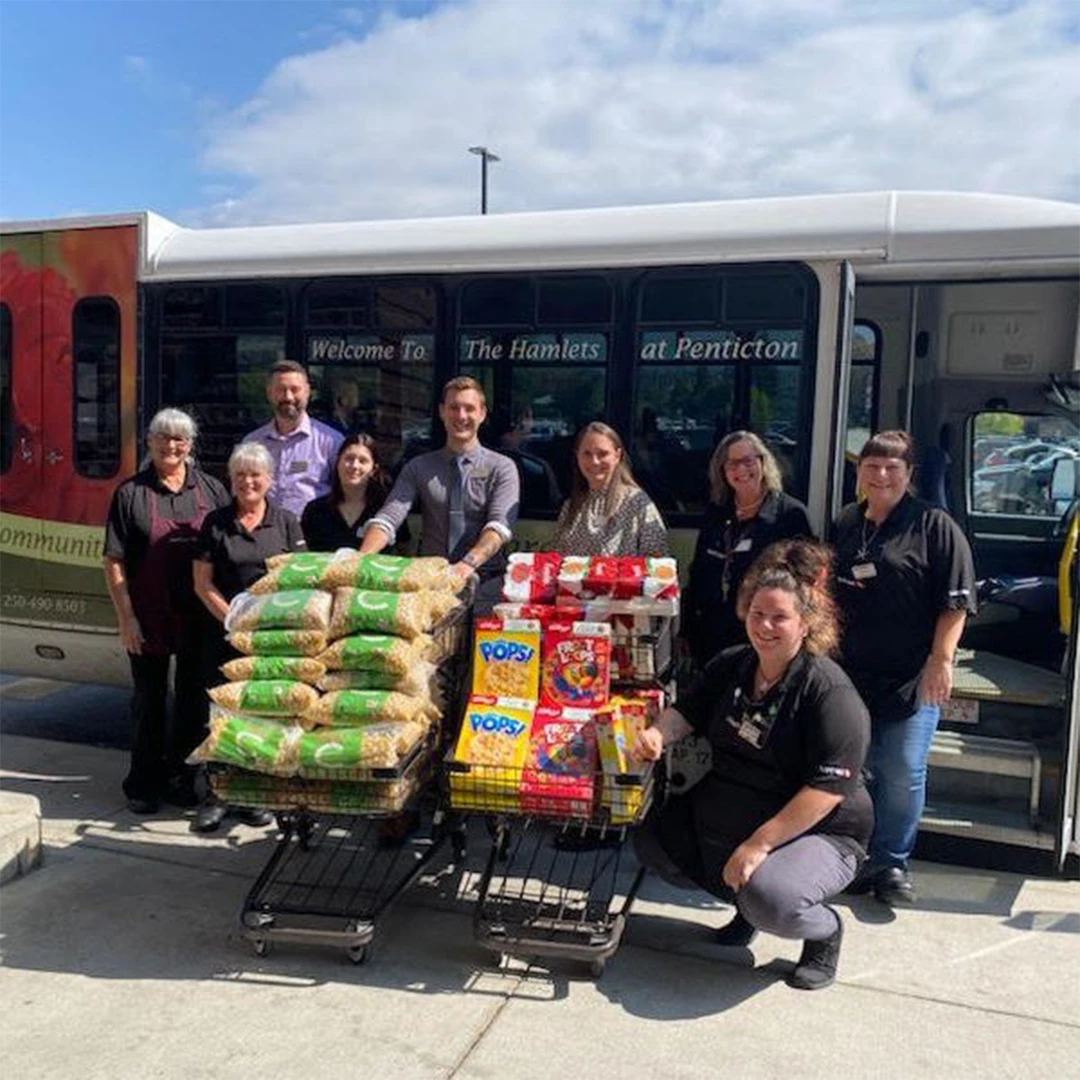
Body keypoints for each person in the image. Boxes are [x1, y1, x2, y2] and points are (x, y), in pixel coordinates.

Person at [634, 542, 872, 991]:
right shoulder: (733, 665)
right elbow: (685, 712)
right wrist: (657, 735)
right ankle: (747, 908)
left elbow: (827, 790)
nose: (765, 626)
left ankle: (822, 931)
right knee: (654, 837)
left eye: (779, 617)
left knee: (772, 897)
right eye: (758, 614)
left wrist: (758, 845)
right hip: (739, 805)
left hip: (820, 828)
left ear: (805, 624)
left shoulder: (828, 691)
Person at [833, 431, 976, 906]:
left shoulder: (935, 525)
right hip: (851, 674)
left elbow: (955, 603)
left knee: (902, 769)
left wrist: (941, 660)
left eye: (892, 467)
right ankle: (853, 855)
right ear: (859, 472)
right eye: (872, 466)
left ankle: (891, 863)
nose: (881, 475)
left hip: (911, 675)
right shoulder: (847, 522)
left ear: (909, 474)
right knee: (853, 769)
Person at [103, 408, 231, 814]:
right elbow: (114, 560)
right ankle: (143, 784)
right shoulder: (130, 493)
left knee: (194, 702)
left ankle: (182, 779)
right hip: (149, 616)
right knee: (148, 701)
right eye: (163, 437)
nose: (171, 445)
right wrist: (126, 618)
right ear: (149, 442)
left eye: (179, 438)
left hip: (199, 618)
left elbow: (227, 550)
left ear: (190, 445)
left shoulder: (212, 490)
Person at [192, 441, 307, 832]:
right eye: (240, 475)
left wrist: (271, 626)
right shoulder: (215, 522)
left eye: (255, 475)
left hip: (273, 637)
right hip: (224, 635)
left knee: (262, 713)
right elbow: (202, 583)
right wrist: (234, 621)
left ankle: (255, 793)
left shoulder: (287, 522)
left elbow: (301, 581)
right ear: (231, 479)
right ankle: (218, 793)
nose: (248, 482)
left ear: (269, 480)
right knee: (222, 715)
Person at [358, 376, 519, 603]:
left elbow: (499, 526)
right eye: (454, 408)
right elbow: (389, 518)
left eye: (469, 408)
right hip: (432, 582)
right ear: (442, 412)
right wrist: (360, 560)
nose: (461, 416)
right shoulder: (418, 467)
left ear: (482, 414)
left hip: (486, 583)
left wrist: (466, 565)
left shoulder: (502, 467)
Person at [682, 431, 812, 670]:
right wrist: (686, 627)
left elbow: (807, 583)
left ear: (763, 462)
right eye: (732, 464)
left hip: (763, 639)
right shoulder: (717, 512)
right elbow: (698, 572)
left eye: (748, 461)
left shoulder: (790, 515)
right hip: (710, 637)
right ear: (722, 471)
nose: (741, 470)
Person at [550, 421, 668, 556]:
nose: (594, 461)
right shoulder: (571, 506)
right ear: (577, 456)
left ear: (617, 456)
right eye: (587, 454)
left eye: (602, 454)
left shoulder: (638, 503)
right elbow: (557, 557)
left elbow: (657, 559)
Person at [244, 360, 344, 518]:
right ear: (269, 393)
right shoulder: (252, 443)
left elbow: (344, 494)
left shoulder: (332, 442)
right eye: (281, 390)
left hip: (312, 530)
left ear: (308, 392)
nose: (288, 397)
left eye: (295, 389)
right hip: (264, 529)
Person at [300, 433, 409, 552]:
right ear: (337, 463)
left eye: (363, 461)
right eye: (349, 459)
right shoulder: (315, 510)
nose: (354, 466)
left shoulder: (387, 510)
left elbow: (404, 551)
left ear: (373, 469)